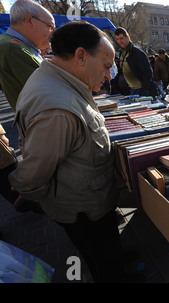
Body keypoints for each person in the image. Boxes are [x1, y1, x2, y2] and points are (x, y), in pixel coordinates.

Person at [8, 21, 132, 283]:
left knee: (106, 259)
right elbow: (36, 169)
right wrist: (25, 192)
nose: (110, 75)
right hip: (84, 209)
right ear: (80, 56)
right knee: (105, 266)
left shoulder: (60, 81)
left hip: (85, 200)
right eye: (107, 66)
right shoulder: (57, 108)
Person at [0, 0, 54, 112]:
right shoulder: (14, 48)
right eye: (50, 27)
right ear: (29, 20)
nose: (52, 33)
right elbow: (52, 90)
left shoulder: (12, 44)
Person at [114, 27, 158, 97]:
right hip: (131, 89)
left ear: (127, 37)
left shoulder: (136, 52)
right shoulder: (122, 52)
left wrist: (145, 88)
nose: (120, 41)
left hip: (141, 90)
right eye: (118, 39)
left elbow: (147, 71)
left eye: (121, 38)